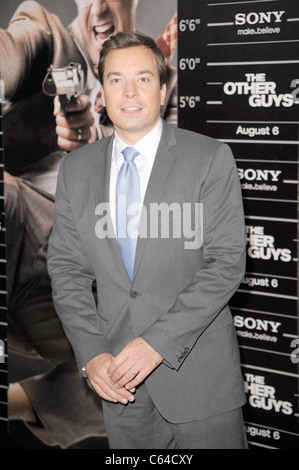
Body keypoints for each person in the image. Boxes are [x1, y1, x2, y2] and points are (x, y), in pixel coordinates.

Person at [47, 31, 248, 449]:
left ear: (162, 88)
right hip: (119, 387)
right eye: (116, 79)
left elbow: (226, 263)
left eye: (142, 78)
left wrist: (156, 343)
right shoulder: (75, 170)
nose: (130, 91)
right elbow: (66, 270)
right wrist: (92, 355)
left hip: (200, 381)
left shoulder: (209, 157)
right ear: (102, 92)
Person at [1, 0, 177, 448]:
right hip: (26, 233)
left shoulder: (169, 95)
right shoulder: (47, 36)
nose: (98, 6)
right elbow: (10, 54)